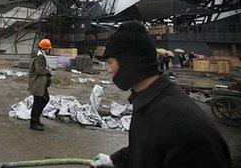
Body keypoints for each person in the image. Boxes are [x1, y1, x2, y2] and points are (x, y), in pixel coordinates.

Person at [91, 21, 231, 168]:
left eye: (110, 62)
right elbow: (145, 149)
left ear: (129, 63)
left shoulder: (183, 126)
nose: (108, 69)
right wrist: (115, 160)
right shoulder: (147, 101)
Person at [28, 39, 53, 131]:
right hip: (37, 84)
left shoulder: (41, 55)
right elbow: (39, 71)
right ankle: (33, 123)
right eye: (48, 48)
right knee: (37, 103)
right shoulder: (39, 57)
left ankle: (37, 120)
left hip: (41, 84)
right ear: (44, 48)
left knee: (45, 99)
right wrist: (48, 71)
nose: (48, 50)